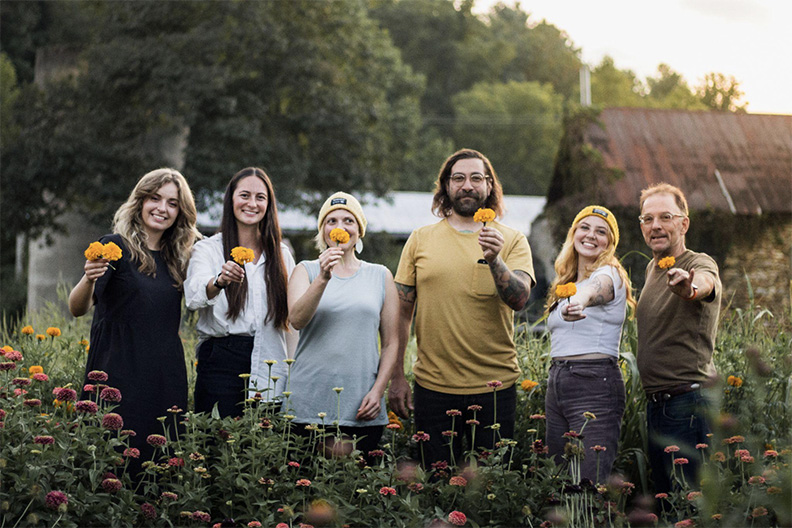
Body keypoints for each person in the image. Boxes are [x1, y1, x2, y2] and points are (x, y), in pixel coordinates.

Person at [389, 148, 535, 466]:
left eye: (476, 178)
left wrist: (496, 260)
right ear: (445, 186)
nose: (467, 185)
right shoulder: (420, 239)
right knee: (435, 485)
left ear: (489, 186)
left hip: (496, 387)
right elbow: (400, 314)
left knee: (491, 489)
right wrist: (397, 375)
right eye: (458, 178)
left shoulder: (511, 240)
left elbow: (520, 300)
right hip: (433, 387)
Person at [69, 168, 200, 476]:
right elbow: (78, 307)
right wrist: (88, 278)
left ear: (180, 212)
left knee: (159, 468)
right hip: (117, 374)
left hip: (165, 376)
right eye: (154, 198)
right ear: (140, 202)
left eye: (172, 203)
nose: (162, 209)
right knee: (111, 464)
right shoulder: (115, 247)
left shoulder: (180, 258)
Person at [287, 192, 399, 457]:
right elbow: (296, 320)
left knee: (357, 491)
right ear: (323, 231)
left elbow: (392, 342)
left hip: (362, 406)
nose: (340, 227)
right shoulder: (306, 270)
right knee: (306, 489)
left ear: (359, 231)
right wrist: (324, 278)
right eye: (331, 221)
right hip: (308, 405)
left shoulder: (380, 275)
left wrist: (378, 391)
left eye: (348, 220)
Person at [185, 167, 295, 418]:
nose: (252, 203)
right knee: (217, 440)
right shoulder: (207, 249)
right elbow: (193, 296)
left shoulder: (281, 255)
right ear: (231, 200)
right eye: (244, 195)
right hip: (221, 360)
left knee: (262, 446)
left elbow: (292, 322)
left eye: (260, 197)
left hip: (270, 360)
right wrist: (220, 280)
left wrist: (294, 369)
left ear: (269, 204)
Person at [635, 183, 721, 493]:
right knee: (666, 502)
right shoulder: (651, 268)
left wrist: (689, 288)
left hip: (687, 406)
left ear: (683, 223)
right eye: (647, 219)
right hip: (659, 406)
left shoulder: (697, 262)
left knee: (687, 506)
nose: (655, 226)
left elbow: (705, 282)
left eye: (665, 217)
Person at [544, 205, 635, 484]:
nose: (591, 235)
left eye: (601, 232)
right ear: (574, 233)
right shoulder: (568, 282)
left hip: (594, 384)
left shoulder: (610, 274)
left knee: (588, 484)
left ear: (610, 242)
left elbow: (596, 291)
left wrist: (579, 302)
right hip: (558, 381)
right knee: (557, 479)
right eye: (585, 227)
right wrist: (571, 298)